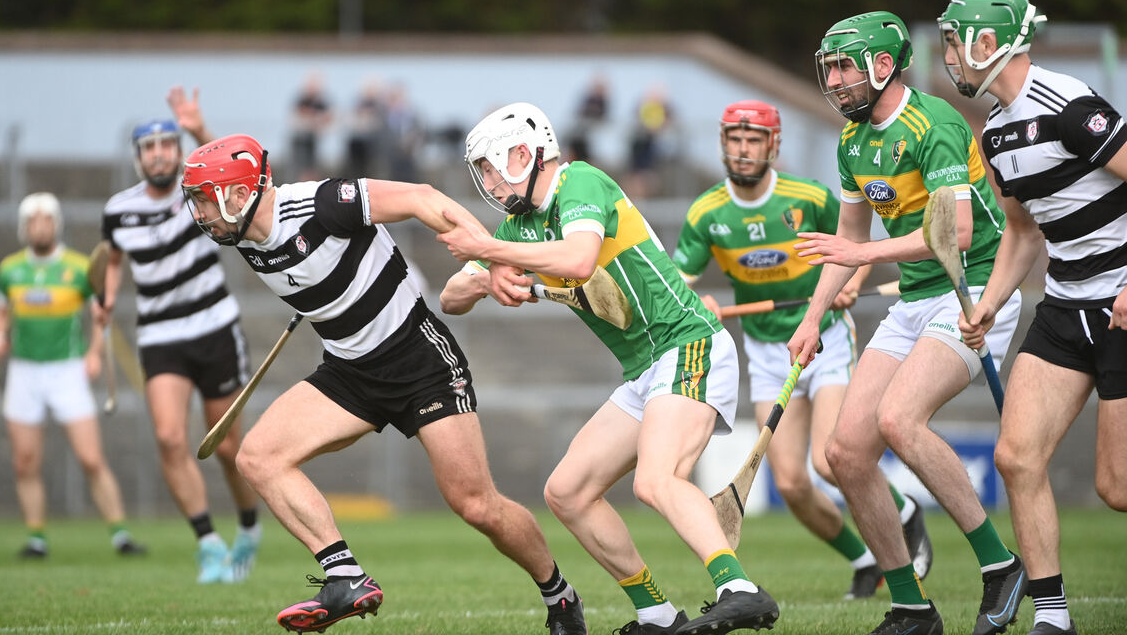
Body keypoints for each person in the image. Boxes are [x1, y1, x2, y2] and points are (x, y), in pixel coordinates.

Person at [180, 133, 586, 635]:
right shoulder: (239, 229)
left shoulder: (324, 203)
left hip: (419, 360)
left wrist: (494, 260)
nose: (199, 214)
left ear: (238, 195)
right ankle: (345, 576)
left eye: (203, 200)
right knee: (256, 458)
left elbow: (422, 198)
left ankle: (560, 595)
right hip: (349, 372)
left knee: (476, 505)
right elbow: (247, 175)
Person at [438, 102, 779, 635]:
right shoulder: (518, 227)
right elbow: (450, 297)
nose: (484, 180)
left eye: (487, 166)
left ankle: (739, 588)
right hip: (643, 369)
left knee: (656, 479)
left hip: (688, 344)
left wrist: (488, 249)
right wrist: (485, 278)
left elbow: (578, 260)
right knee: (567, 492)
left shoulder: (580, 184)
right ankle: (657, 614)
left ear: (522, 155)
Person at [786, 12, 1026, 635]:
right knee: (845, 453)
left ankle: (1000, 566)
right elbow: (848, 237)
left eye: (845, 68)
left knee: (898, 419)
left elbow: (959, 232)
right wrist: (812, 319)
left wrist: (863, 257)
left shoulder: (934, 125)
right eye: (830, 68)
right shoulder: (851, 142)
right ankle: (911, 606)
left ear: (883, 67)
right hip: (914, 299)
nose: (834, 81)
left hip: (972, 293)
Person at [672, 99, 933, 601]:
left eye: (753, 140)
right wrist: (695, 300)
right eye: (734, 140)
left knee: (828, 459)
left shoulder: (808, 196)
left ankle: (904, 512)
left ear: (773, 145)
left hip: (827, 336)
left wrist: (853, 279)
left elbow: (855, 243)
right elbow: (674, 284)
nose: (742, 150)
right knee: (791, 483)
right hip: (768, 349)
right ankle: (863, 562)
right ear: (723, 145)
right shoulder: (706, 212)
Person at [941, 0, 1127, 635]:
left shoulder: (1070, 106)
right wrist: (991, 303)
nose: (948, 59)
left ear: (987, 45)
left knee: (1118, 488)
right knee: (1016, 457)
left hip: (1122, 306)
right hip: (1064, 306)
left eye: (953, 42)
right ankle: (1052, 617)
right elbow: (1023, 233)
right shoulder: (994, 132)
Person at [99, 88, 260, 584]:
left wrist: (198, 129)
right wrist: (103, 302)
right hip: (161, 337)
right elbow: (110, 263)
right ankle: (209, 543)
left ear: (177, 150)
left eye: (168, 145)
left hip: (214, 327)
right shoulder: (118, 210)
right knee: (170, 438)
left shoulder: (200, 193)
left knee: (230, 449)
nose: (160, 154)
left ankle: (249, 528)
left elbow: (240, 175)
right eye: (149, 148)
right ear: (138, 158)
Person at [0, 192, 146, 559]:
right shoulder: (10, 269)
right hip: (24, 372)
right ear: (23, 227)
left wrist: (94, 354)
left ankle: (120, 535)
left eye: (46, 219)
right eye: (33, 220)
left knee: (91, 458)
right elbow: (0, 311)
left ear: (56, 224)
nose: (40, 226)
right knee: (25, 461)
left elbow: (98, 317)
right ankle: (36, 538)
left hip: (67, 371)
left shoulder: (78, 267)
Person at [288, 73, 334, 182]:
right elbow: (294, 119)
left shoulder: (321, 102)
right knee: (300, 165)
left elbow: (329, 119)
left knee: (313, 167)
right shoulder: (301, 100)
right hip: (300, 139)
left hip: (315, 140)